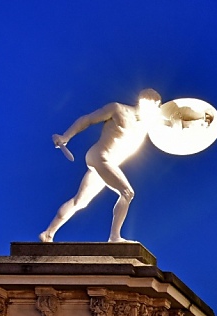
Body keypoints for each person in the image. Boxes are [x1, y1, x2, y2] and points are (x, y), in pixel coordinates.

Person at [40, 88, 163, 244]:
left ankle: (48, 233)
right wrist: (66, 136)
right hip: (99, 156)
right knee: (127, 192)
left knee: (80, 202)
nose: (153, 112)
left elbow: (175, 123)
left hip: (106, 164)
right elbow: (88, 120)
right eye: (152, 106)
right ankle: (114, 237)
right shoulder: (118, 109)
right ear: (143, 102)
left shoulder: (147, 124)